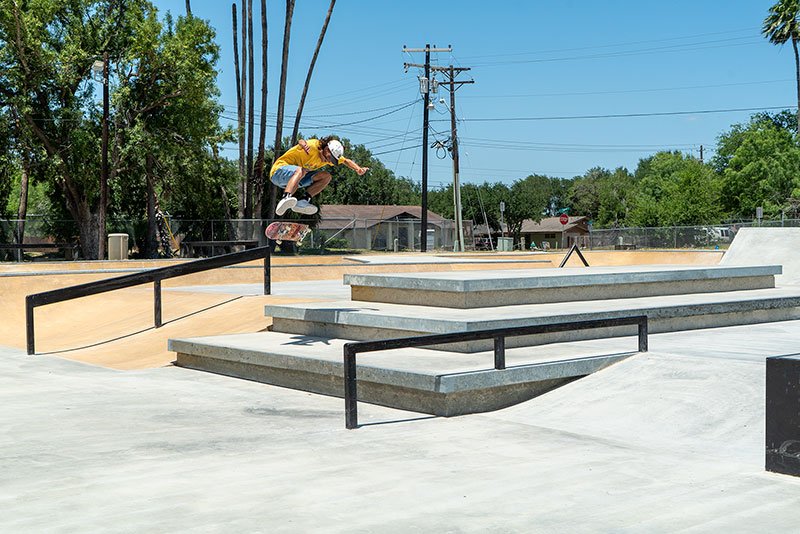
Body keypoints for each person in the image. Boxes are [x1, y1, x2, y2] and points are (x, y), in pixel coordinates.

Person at [270, 136, 369, 216]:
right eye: (329, 158)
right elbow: (301, 141)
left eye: (332, 161)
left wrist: (358, 169)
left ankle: (304, 201)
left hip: (296, 179)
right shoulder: (313, 146)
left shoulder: (329, 157)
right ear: (326, 149)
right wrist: (303, 144)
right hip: (278, 172)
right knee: (301, 170)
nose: (328, 161)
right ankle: (286, 197)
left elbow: (346, 161)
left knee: (326, 176)